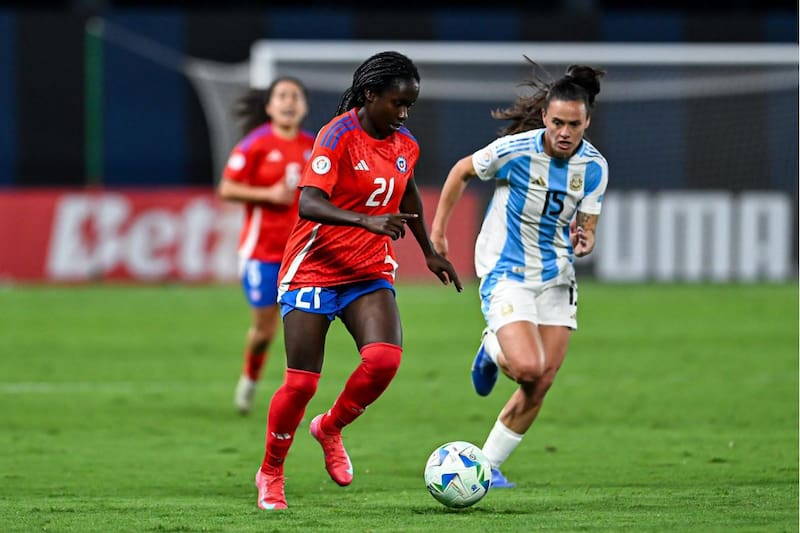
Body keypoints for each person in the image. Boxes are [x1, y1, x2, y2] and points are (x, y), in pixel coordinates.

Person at [254, 51, 462, 510]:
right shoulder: (337, 136)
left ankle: (330, 427)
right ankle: (271, 472)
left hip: (367, 270)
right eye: (396, 103)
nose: (403, 114)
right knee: (301, 384)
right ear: (370, 95)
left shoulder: (405, 143)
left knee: (384, 359)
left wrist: (430, 252)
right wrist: (365, 222)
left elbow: (408, 193)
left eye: (409, 105)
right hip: (315, 266)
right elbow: (309, 203)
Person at [430, 59, 608, 489]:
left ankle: (487, 466)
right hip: (506, 268)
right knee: (528, 367)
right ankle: (491, 348)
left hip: (557, 275)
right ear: (546, 116)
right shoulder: (514, 152)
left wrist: (585, 241)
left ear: (587, 121)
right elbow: (460, 171)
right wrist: (438, 232)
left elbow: (586, 229)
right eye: (558, 122)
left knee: (542, 380)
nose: (565, 133)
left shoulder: (595, 168)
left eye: (575, 125)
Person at [218, 78, 315, 414]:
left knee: (302, 329)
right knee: (264, 330)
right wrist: (267, 195)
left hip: (302, 256)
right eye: (282, 96)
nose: (289, 102)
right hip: (262, 254)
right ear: (270, 107)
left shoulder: (314, 147)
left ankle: (294, 398)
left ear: (304, 106)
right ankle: (249, 379)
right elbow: (227, 188)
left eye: (295, 96)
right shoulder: (255, 144)